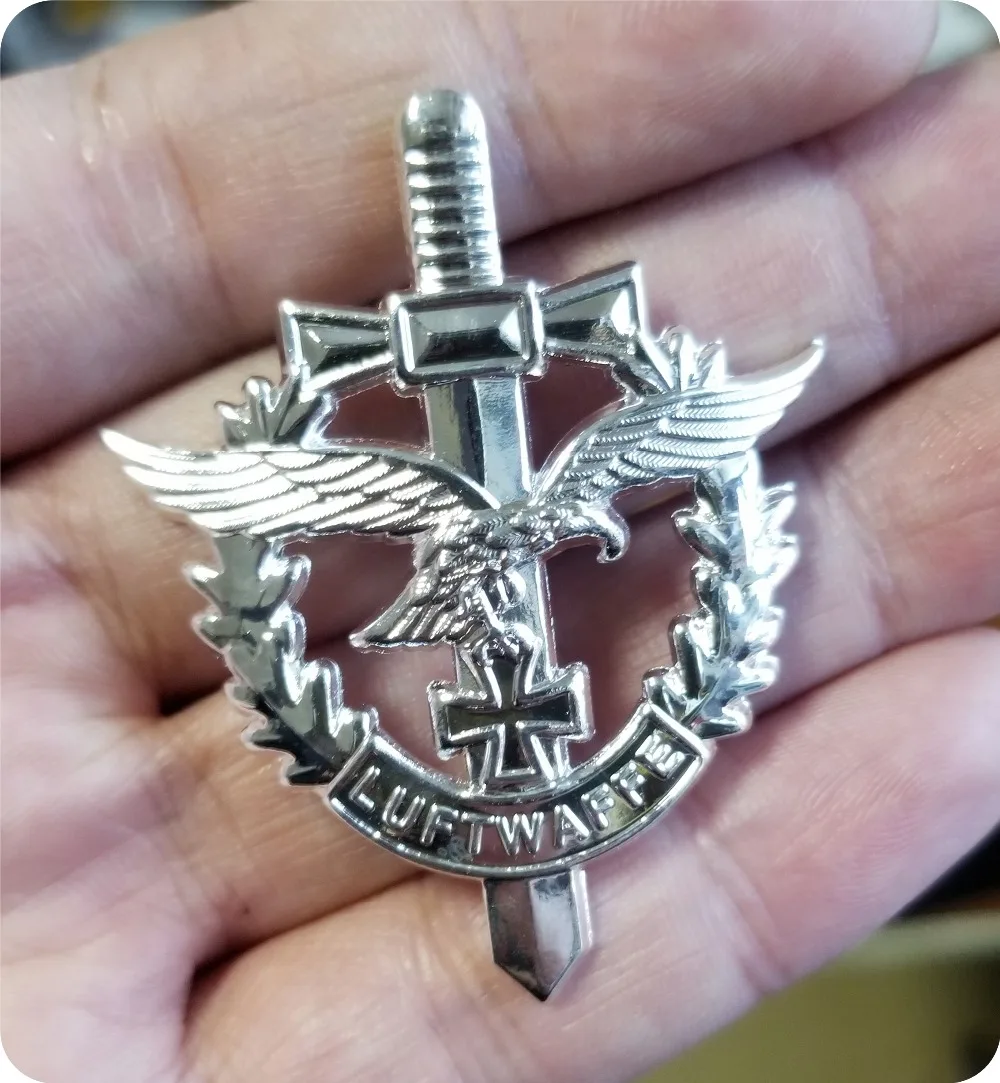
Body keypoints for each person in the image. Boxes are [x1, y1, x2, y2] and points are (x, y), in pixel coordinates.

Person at [2, 3, 998, 1081]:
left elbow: (660, 460)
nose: (587, 530)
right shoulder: (423, 488)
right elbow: (280, 491)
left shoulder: (586, 473)